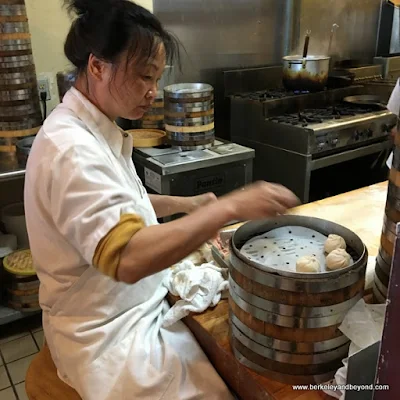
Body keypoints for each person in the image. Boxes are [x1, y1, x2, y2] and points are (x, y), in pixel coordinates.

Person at [24, 1, 299, 399]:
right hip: (106, 333)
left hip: (133, 307)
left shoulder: (93, 130)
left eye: (157, 78)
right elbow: (127, 257)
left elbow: (120, 209)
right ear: (98, 66)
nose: (153, 92)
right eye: (143, 77)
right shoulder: (70, 150)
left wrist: (185, 205)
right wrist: (230, 207)